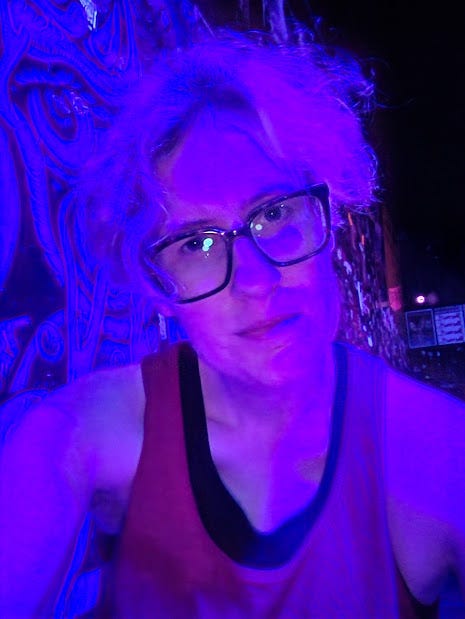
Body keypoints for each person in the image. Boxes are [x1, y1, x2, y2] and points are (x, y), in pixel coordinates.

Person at [1, 27, 464, 619]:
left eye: (274, 213)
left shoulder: (438, 453)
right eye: (196, 244)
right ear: (158, 287)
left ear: (329, 219)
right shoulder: (78, 436)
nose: (255, 280)